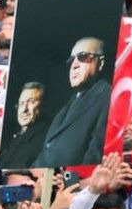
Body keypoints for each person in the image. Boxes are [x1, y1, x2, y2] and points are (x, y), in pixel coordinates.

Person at [33, 37, 109, 167]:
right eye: (71, 60)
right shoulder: (69, 103)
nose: (74, 65)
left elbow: (94, 154)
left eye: (83, 57)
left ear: (100, 63)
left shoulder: (107, 96)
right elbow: (47, 151)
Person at [0, 82, 48, 169]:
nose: (24, 109)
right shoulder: (14, 137)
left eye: (31, 102)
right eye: (21, 103)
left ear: (42, 105)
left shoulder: (44, 139)